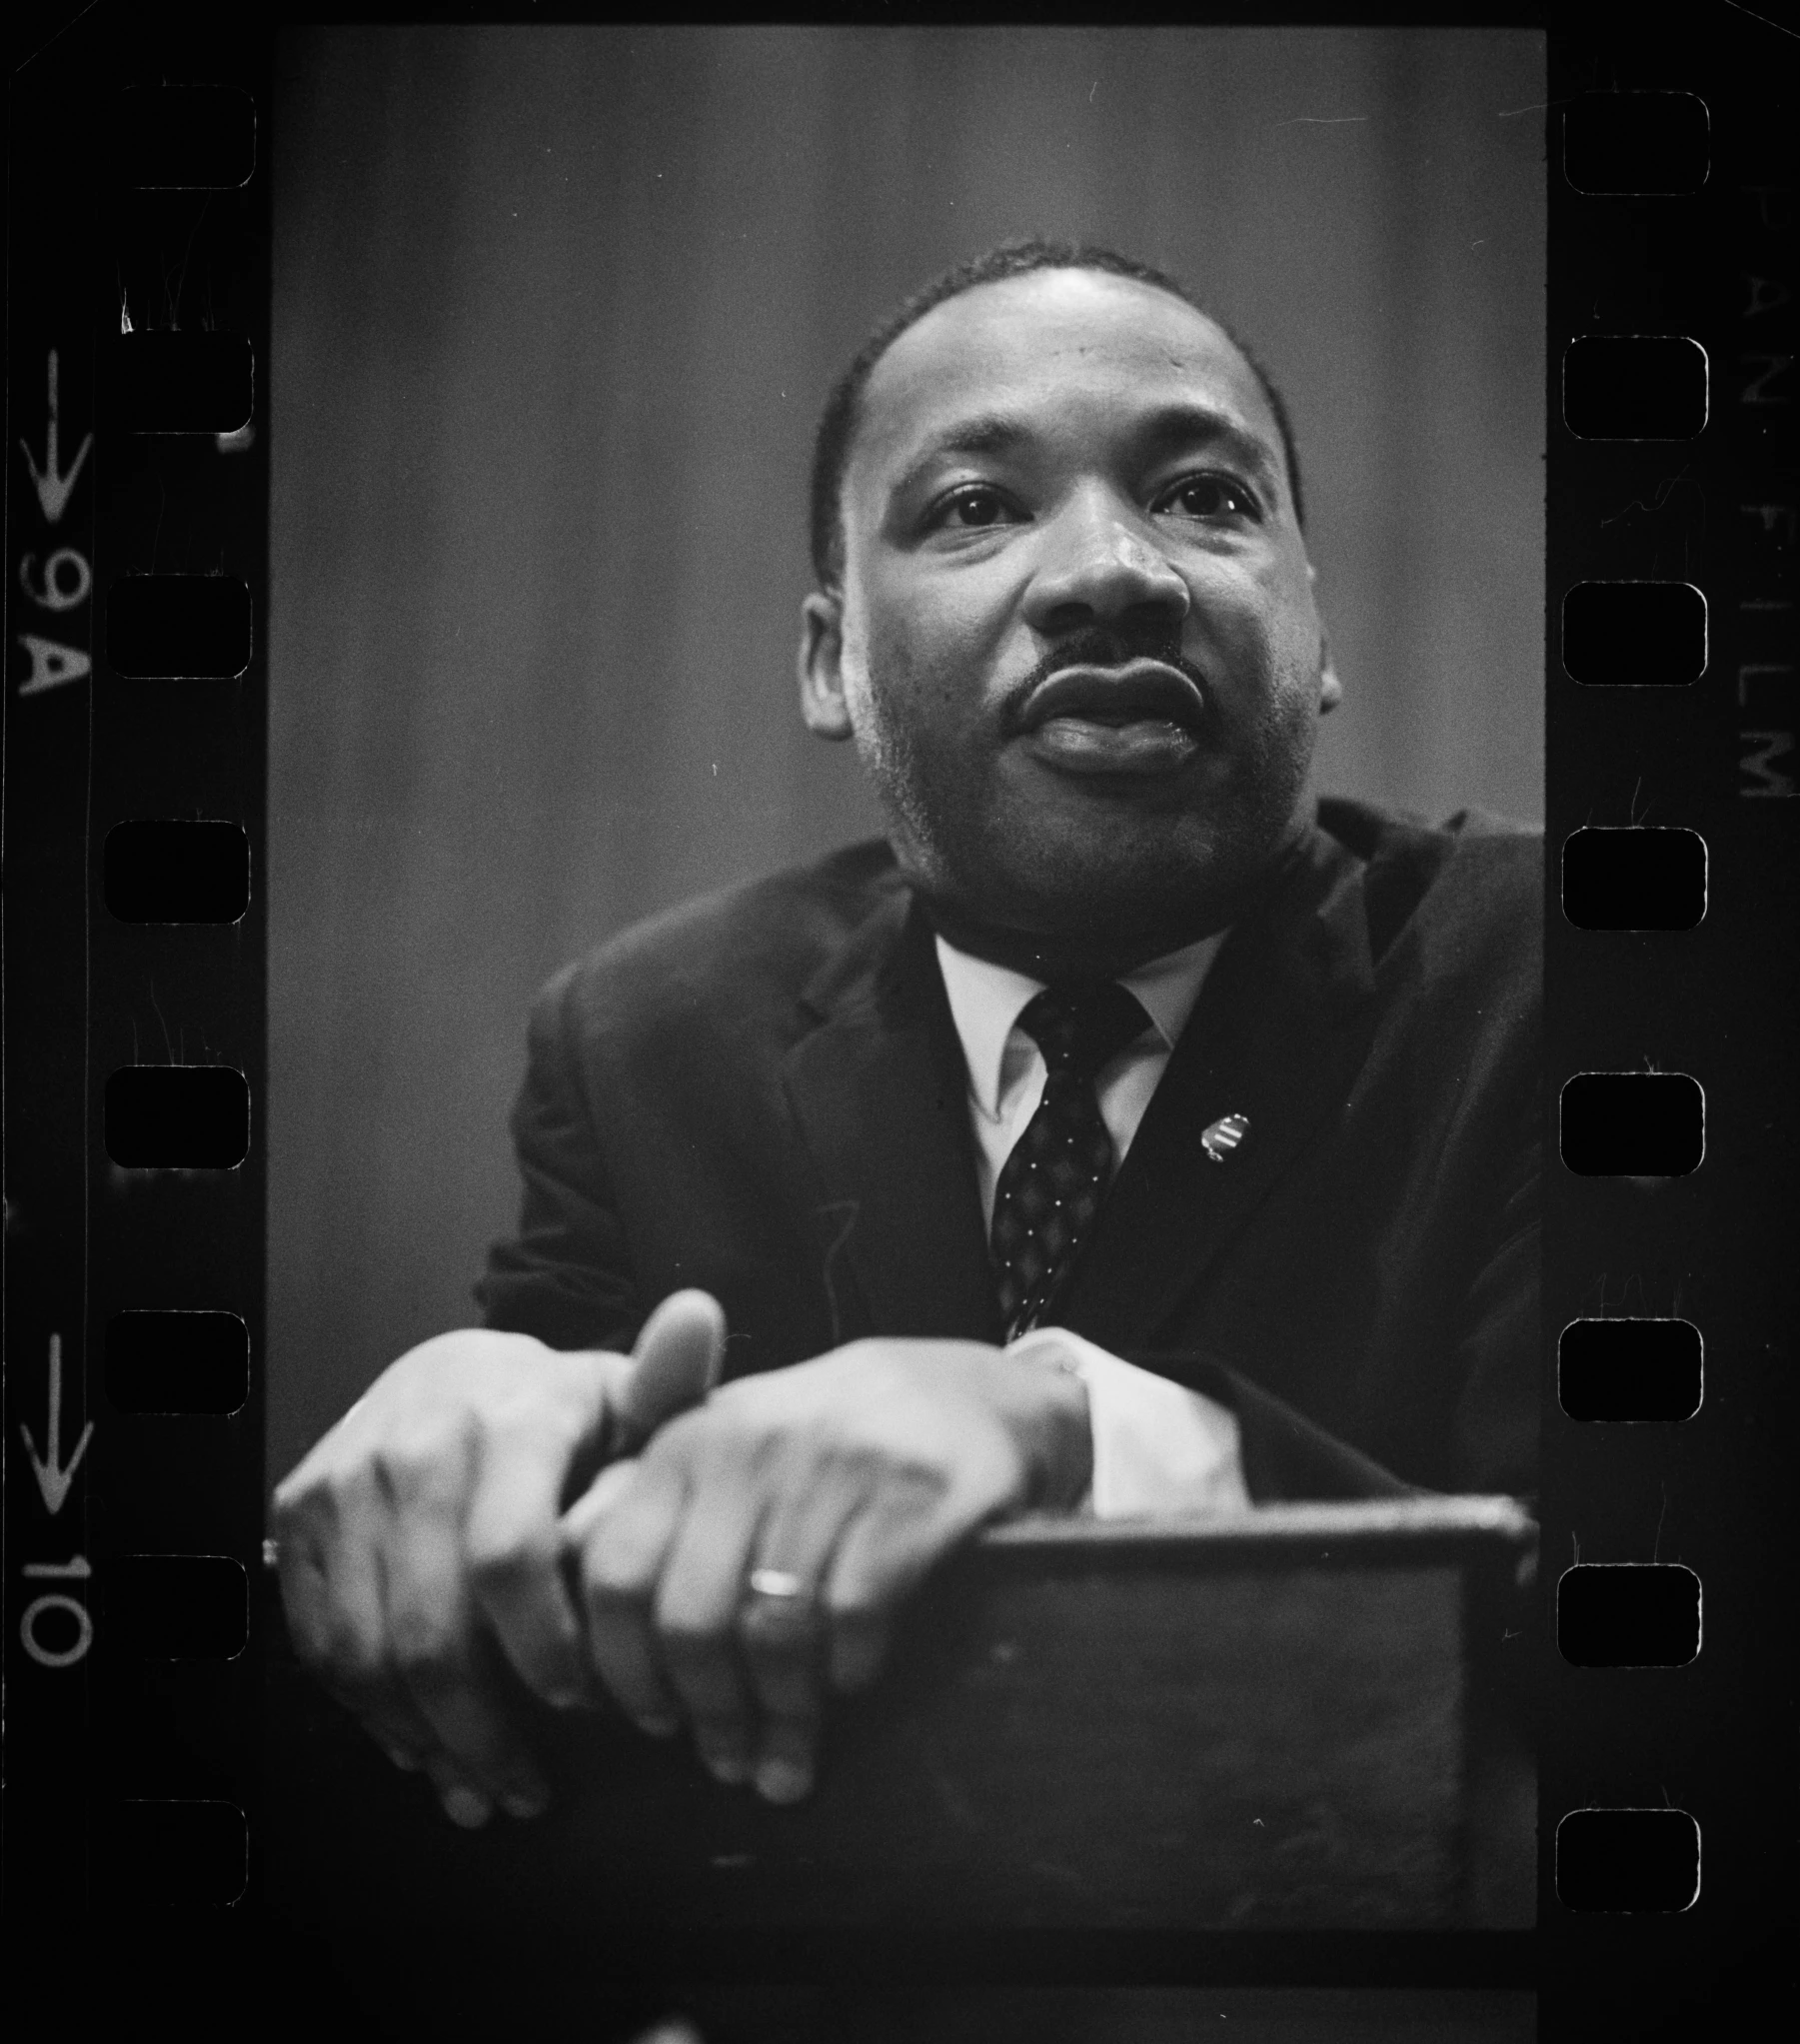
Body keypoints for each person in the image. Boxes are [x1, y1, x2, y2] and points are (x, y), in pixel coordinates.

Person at [274, 239, 1540, 1837]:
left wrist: (1060, 1424)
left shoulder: (1554, 980)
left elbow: (1630, 1638)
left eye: (1207, 498)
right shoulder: (652, 1039)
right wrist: (484, 1418)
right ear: (830, 665)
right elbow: (554, 1647)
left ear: (1317, 630)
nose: (1116, 570)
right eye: (974, 507)